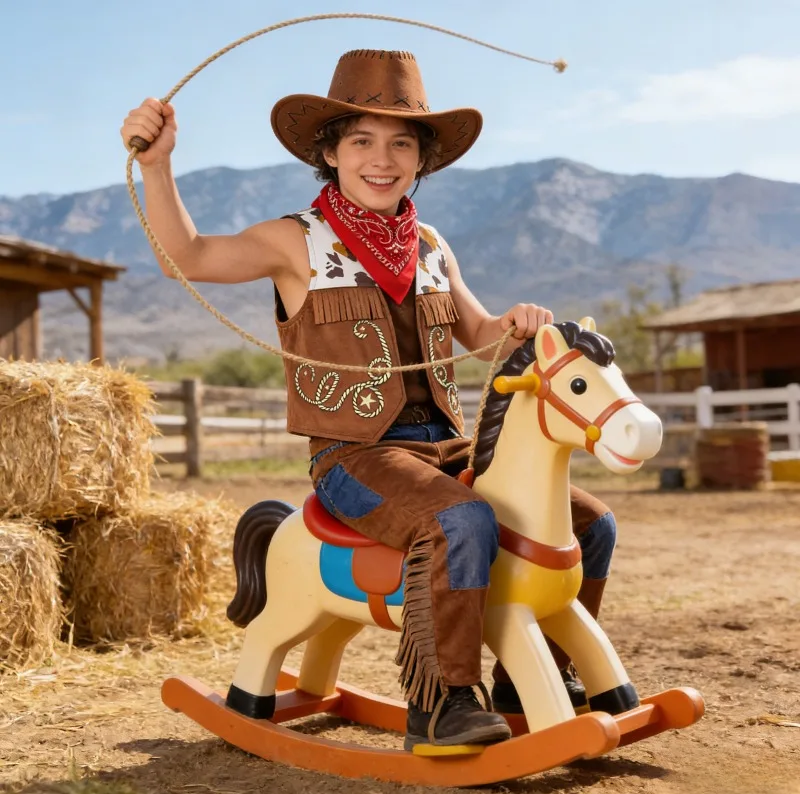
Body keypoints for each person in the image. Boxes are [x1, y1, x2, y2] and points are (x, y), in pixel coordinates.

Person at [120, 48, 618, 749]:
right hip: (356, 456)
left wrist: (516, 324)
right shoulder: (296, 241)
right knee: (459, 518)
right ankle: (441, 702)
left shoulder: (431, 245)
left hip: (447, 446)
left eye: (401, 144)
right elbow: (190, 257)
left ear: (422, 159)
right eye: (361, 141)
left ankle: (528, 679)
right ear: (330, 152)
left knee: (592, 524)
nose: (381, 159)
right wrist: (157, 165)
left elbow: (479, 333)